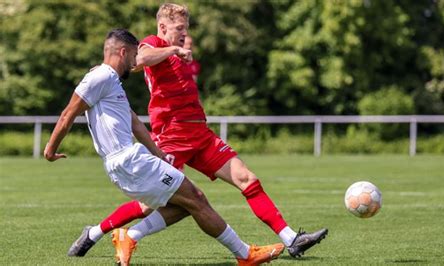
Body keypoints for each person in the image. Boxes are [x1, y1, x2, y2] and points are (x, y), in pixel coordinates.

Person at [68, 3, 328, 259]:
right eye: (179, 28)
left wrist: (179, 52)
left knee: (247, 178)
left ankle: (291, 238)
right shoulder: (153, 44)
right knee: (155, 204)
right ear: (162, 27)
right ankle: (96, 233)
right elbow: (140, 59)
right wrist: (173, 50)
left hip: (201, 135)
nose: (184, 33)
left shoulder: (180, 53)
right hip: (171, 136)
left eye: (186, 28)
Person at [44, 28, 284, 265]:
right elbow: (67, 114)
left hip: (126, 163)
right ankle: (245, 255)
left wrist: (159, 154)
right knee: (197, 198)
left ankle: (120, 235)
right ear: (123, 51)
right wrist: (50, 150)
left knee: (184, 205)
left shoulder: (111, 82)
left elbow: (135, 123)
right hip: (129, 160)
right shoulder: (102, 77)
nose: (135, 62)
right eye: (134, 56)